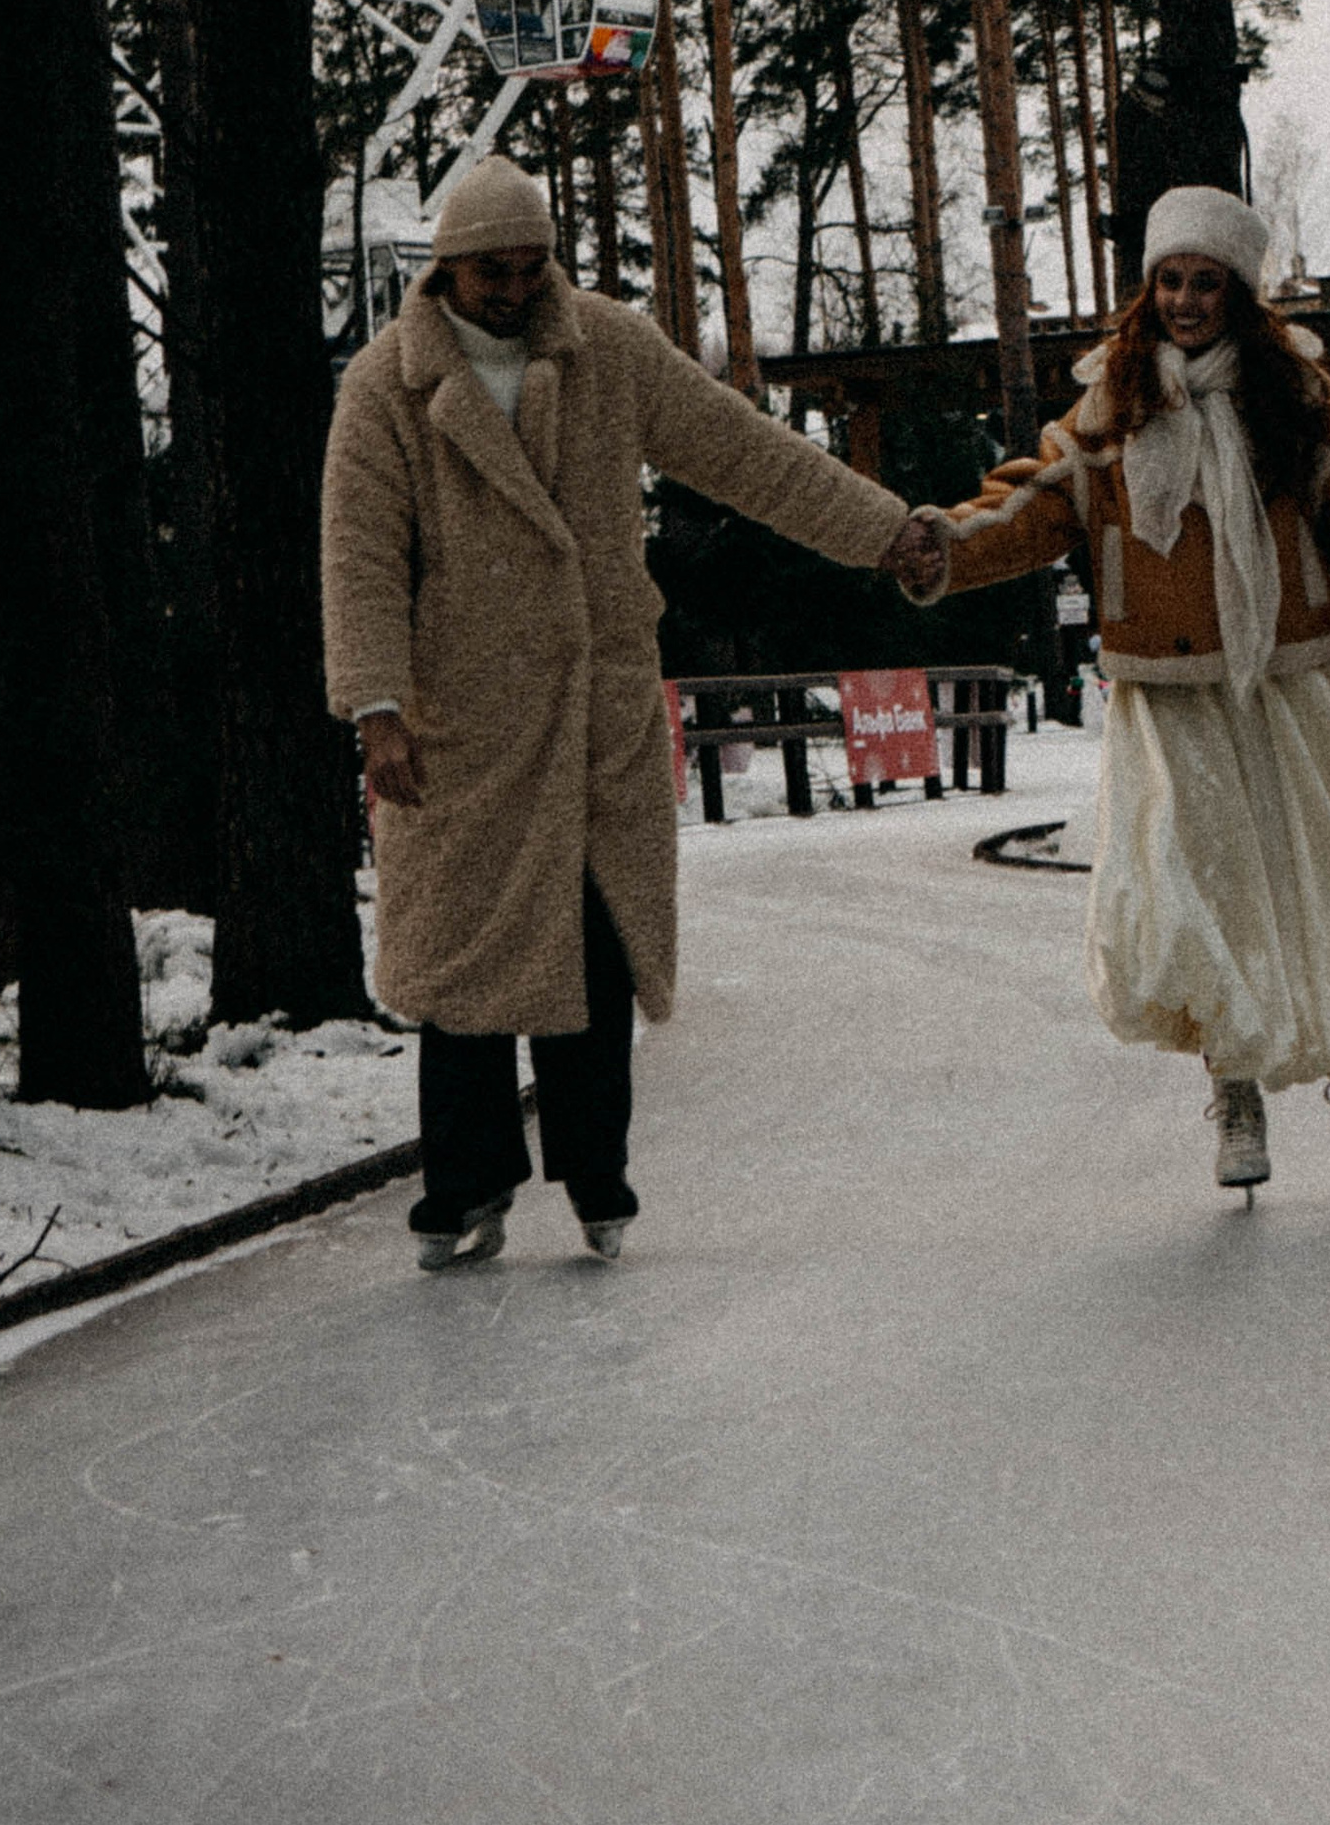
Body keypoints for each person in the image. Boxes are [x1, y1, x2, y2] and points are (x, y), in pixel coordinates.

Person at [323, 155, 941, 1272]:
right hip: (461, 724)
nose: (515, 292)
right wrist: (377, 709)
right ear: (446, 270)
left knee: (593, 949)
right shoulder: (385, 388)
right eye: (492, 274)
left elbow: (744, 452)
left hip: (593, 709)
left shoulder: (606, 349)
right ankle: (464, 1186)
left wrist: (881, 530)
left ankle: (596, 1178)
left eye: (533, 269)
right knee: (464, 967)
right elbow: (360, 559)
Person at [898, 185, 1330, 1196]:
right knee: (1202, 895)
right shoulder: (1112, 406)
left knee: (1322, 882)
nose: (1184, 301)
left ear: (1238, 294)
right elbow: (1033, 505)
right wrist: (944, 545)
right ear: (1149, 290)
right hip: (1168, 694)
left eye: (1205, 283)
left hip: (1287, 679)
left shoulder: (1296, 398)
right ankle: (1237, 1093)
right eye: (1169, 281)